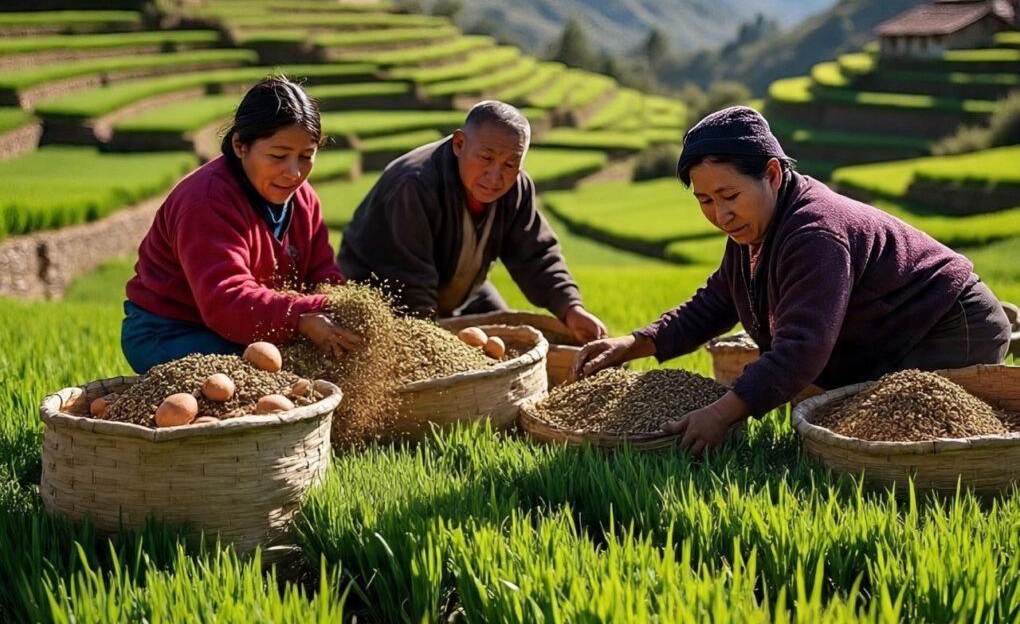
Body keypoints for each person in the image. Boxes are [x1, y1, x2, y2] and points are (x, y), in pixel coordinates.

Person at [574, 106, 1011, 456]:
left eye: (729, 195)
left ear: (772, 174)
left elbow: (802, 348)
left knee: (897, 439)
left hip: (949, 325)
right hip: (891, 331)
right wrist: (634, 343)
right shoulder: (754, 227)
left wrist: (721, 414)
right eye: (705, 200)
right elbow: (716, 302)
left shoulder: (814, 233)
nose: (720, 215)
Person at [122, 77, 362, 372]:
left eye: (306, 157)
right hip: (172, 331)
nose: (294, 172)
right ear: (240, 145)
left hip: (254, 324)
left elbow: (322, 271)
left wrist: (340, 307)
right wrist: (301, 318)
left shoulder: (303, 199)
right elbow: (227, 301)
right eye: (278, 156)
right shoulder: (207, 201)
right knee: (262, 374)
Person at [338, 100, 607, 341]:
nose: (495, 177)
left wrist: (571, 307)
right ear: (459, 144)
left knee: (513, 341)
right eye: (486, 158)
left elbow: (535, 255)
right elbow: (406, 281)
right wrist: (434, 340)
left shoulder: (516, 189)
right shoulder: (413, 185)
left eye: (510, 164)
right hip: (384, 300)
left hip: (461, 290)